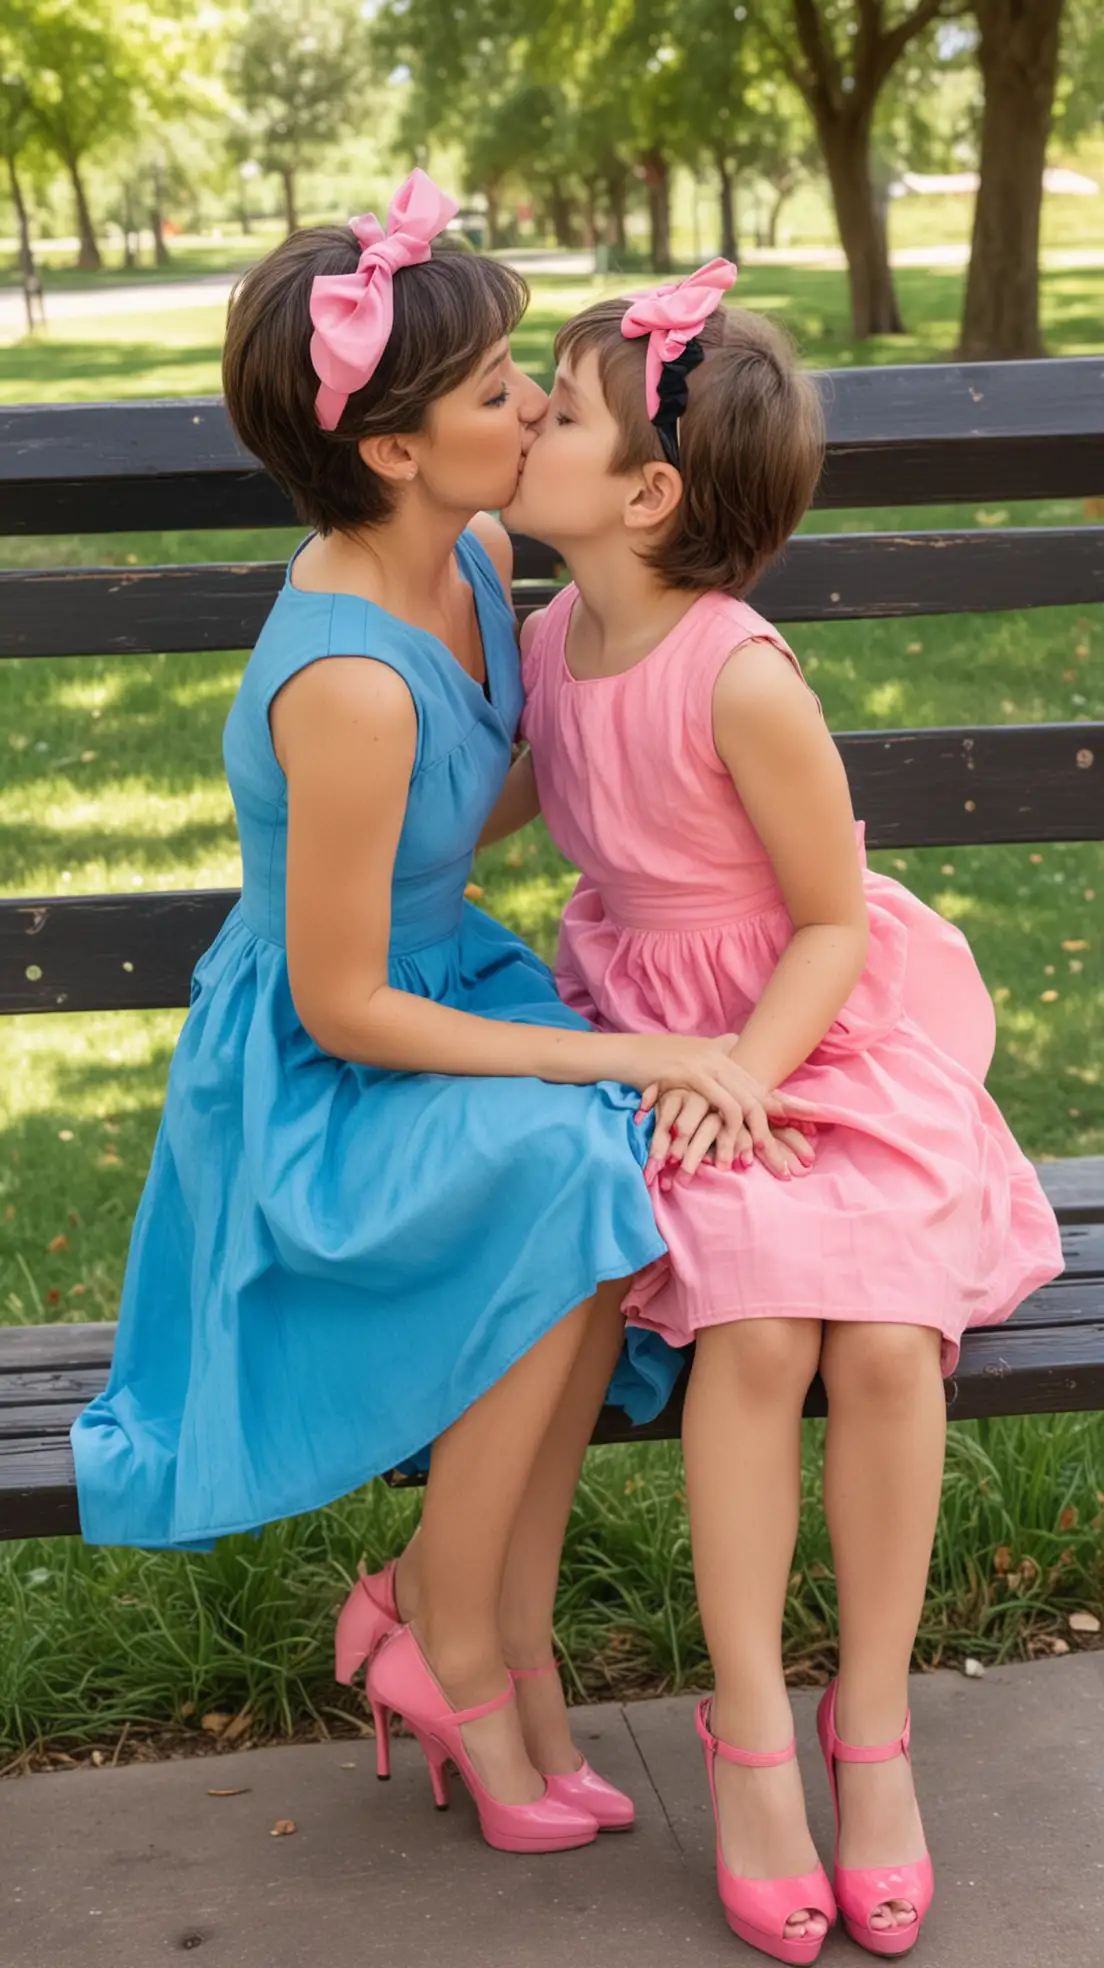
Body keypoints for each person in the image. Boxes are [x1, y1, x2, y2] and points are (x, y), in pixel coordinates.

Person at [70, 178, 809, 1857]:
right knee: (580, 1154)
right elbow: (342, 997)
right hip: (326, 1077)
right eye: (496, 392)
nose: (540, 407)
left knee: (602, 1181)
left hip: (443, 994)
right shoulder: (344, 675)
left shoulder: (479, 556)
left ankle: (470, 1617)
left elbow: (468, 800)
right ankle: (458, 1646)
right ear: (394, 449)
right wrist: (629, 1042)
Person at [504, 258, 1063, 1952]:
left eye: (562, 407)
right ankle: (749, 1729)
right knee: (755, 1332)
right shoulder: (547, 637)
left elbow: (830, 918)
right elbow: (497, 803)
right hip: (663, 1044)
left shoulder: (741, 675)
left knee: (888, 1341)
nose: (528, 417)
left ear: (647, 490)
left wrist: (750, 1067)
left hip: (809, 1040)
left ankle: (868, 1726)